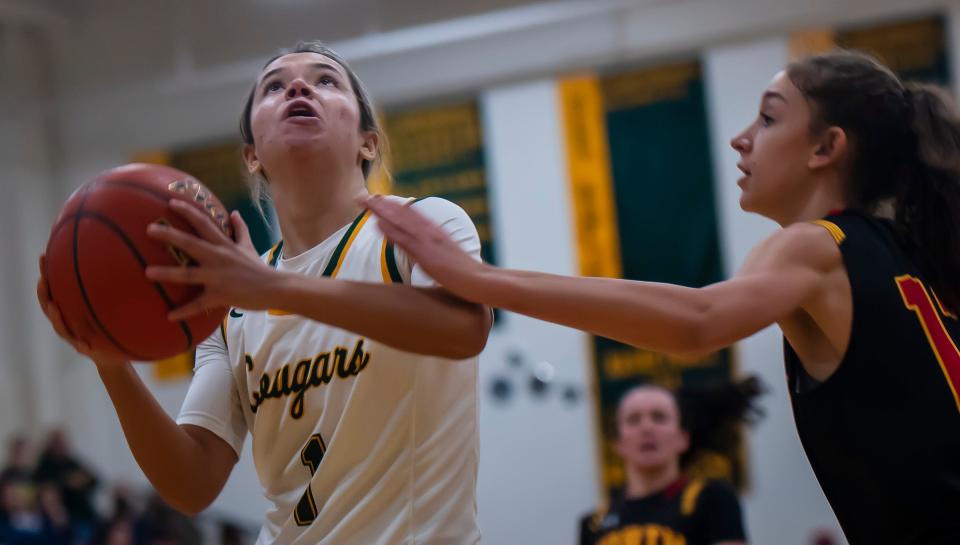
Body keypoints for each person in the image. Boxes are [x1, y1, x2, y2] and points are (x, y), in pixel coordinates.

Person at [365, 50, 960, 545]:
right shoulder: (915, 258)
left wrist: (478, 278)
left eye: (769, 120)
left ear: (826, 148)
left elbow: (696, 321)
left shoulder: (817, 247)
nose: (740, 138)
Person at [37, 41, 492, 545]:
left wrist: (274, 288)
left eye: (326, 81)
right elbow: (191, 485)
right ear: (252, 156)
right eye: (274, 87)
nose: (298, 87)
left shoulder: (420, 226)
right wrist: (110, 364)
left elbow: (463, 329)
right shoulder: (231, 303)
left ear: (368, 142)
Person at [579, 383, 754, 545]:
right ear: (618, 443)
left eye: (659, 417)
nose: (646, 427)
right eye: (633, 419)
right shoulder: (594, 523)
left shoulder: (712, 498)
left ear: (684, 438)